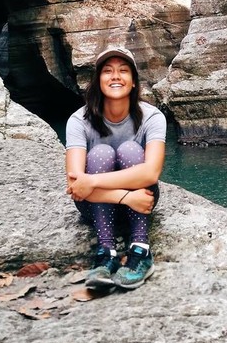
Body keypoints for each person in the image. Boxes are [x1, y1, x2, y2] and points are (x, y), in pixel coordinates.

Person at [65, 45, 166, 290]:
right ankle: (106, 252)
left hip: (142, 201)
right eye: (107, 71)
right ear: (98, 80)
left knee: (130, 150)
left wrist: (92, 182)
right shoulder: (79, 121)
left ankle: (140, 248)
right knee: (101, 153)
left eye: (123, 70)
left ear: (133, 82)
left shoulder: (152, 117)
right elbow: (76, 187)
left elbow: (151, 173)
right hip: (96, 205)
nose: (115, 76)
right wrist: (126, 197)